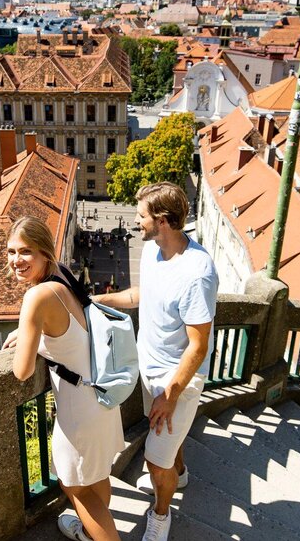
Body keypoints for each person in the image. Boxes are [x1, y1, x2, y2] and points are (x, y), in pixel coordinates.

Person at [92, 182, 218, 541]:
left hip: (176, 379)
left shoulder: (197, 273)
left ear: (162, 220)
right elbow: (141, 297)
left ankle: (161, 517)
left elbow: (198, 345)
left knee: (153, 460)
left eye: (141, 215)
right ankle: (179, 473)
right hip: (148, 369)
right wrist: (100, 301)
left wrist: (171, 394)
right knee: (166, 448)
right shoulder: (152, 252)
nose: (135, 220)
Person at [2, 216, 124, 541]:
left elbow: (22, 370)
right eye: (11, 251)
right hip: (102, 397)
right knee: (96, 477)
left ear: (44, 252)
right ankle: (88, 532)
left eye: (25, 251)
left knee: (76, 486)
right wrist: (32, 329)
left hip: (78, 414)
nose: (16, 260)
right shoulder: (64, 275)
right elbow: (69, 322)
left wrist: (28, 330)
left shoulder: (36, 297)